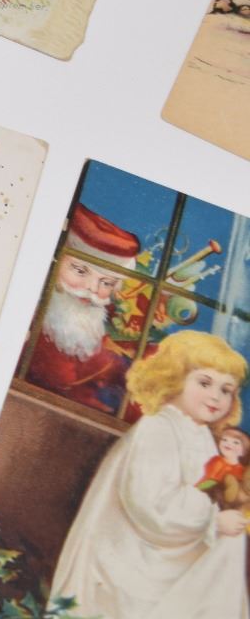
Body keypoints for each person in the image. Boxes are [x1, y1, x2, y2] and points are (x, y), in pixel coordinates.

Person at [51, 330, 250, 617]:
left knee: (230, 544)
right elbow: (151, 507)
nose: (216, 397)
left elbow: (211, 488)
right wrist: (213, 520)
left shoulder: (201, 435)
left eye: (226, 390)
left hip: (175, 545)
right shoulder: (158, 429)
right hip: (134, 552)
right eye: (205, 383)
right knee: (225, 549)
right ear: (174, 378)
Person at [24, 205, 138, 413]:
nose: (92, 289)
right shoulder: (29, 313)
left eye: (106, 283)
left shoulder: (91, 325)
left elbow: (102, 364)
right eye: (80, 271)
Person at [200, 427, 250, 509]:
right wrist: (201, 487)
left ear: (243, 452)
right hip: (212, 488)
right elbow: (210, 480)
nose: (228, 444)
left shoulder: (241, 468)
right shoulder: (217, 462)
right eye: (225, 440)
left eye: (236, 442)